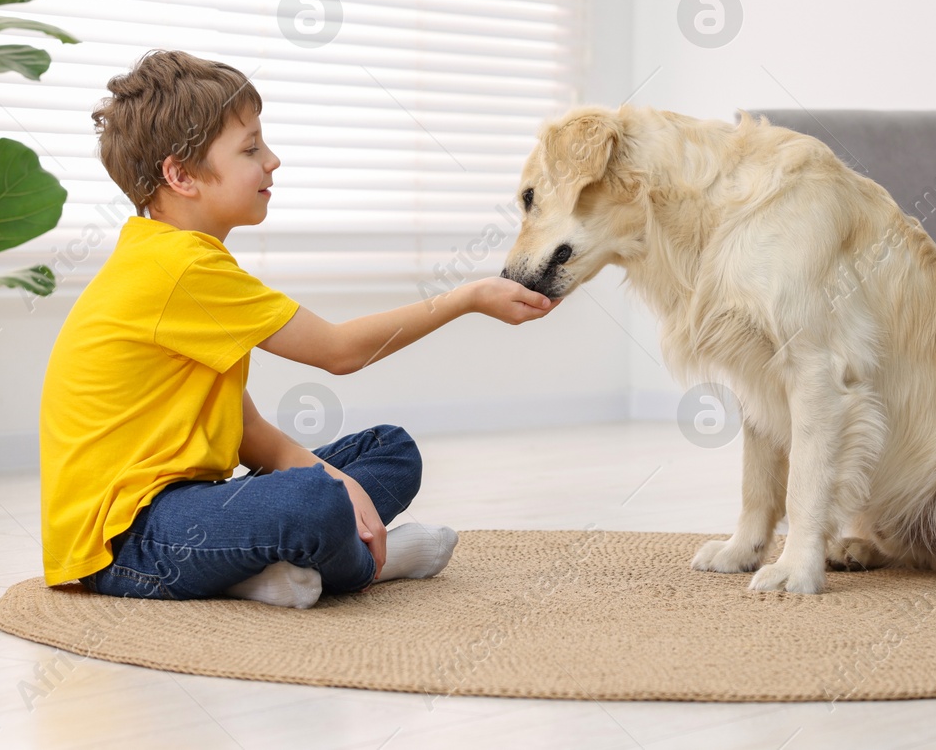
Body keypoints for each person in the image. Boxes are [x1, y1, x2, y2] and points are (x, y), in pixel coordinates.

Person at [38, 50, 559, 608]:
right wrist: (467, 297)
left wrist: (344, 483)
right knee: (313, 501)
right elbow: (338, 352)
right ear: (180, 175)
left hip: (190, 512)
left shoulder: (177, 260)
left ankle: (260, 572)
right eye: (250, 148)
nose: (273, 160)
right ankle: (367, 569)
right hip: (126, 545)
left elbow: (249, 435)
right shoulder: (179, 269)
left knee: (389, 451)